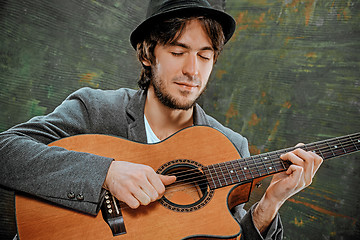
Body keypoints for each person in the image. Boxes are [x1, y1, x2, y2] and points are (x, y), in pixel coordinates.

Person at [0, 0, 323, 239]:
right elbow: (6, 151)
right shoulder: (95, 108)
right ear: (147, 53)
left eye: (205, 55)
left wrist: (269, 204)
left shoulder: (230, 145)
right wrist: (106, 173)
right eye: (178, 52)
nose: (192, 71)